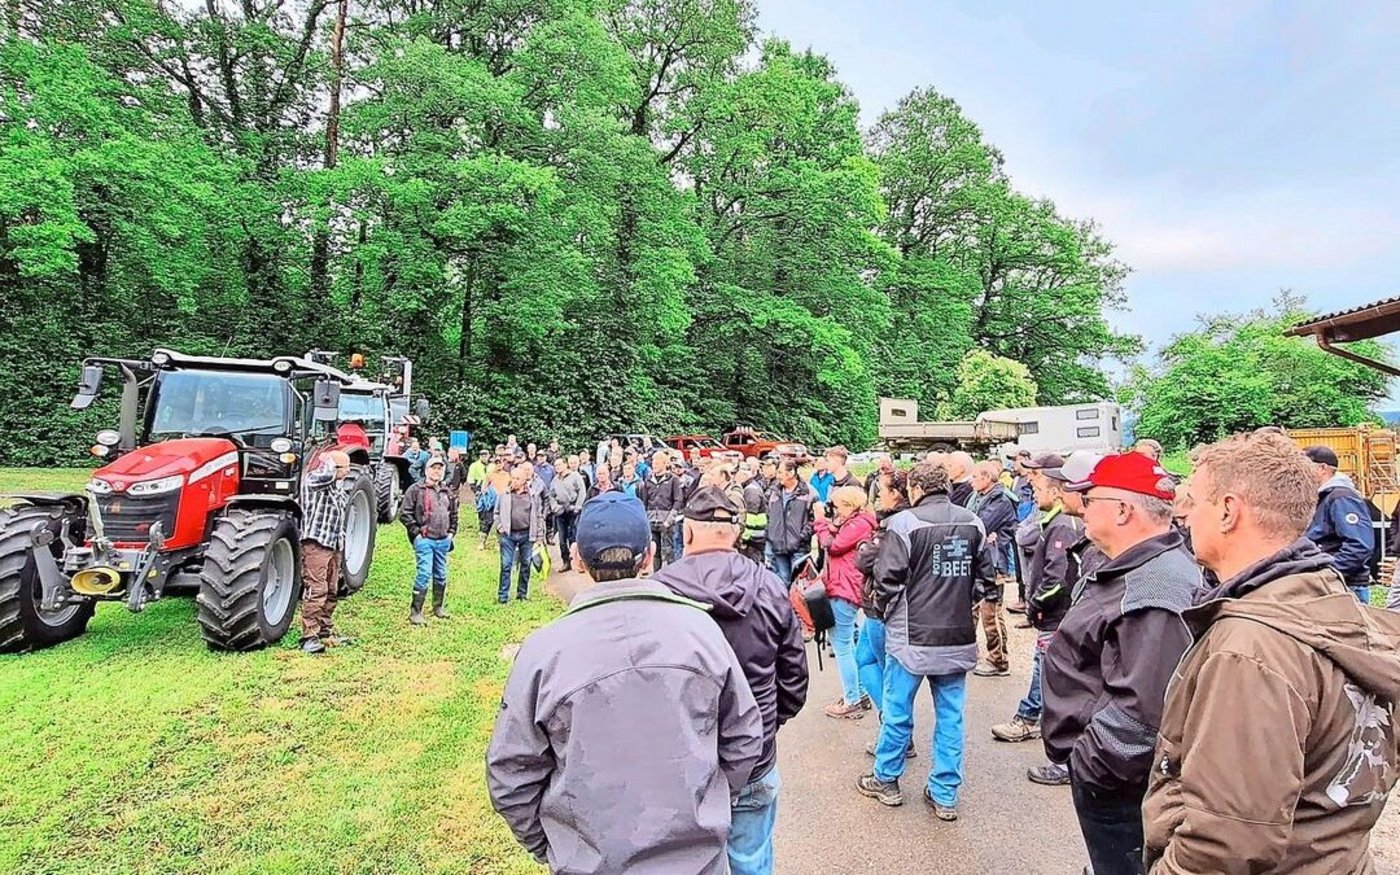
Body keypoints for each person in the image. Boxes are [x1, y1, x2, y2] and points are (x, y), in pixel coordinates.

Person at [1144, 431, 1400, 875]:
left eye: (1194, 501)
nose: (1182, 514)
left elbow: (1225, 842)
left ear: (1227, 511)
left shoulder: (1250, 649)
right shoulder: (1332, 605)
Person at [487, 493, 764, 875]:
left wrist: (554, 846)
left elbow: (510, 772)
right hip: (697, 864)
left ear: (578, 559)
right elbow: (745, 737)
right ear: (649, 556)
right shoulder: (703, 632)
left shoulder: (543, 652)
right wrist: (709, 804)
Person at [1041, 451, 1199, 875]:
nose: (1082, 508)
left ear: (1125, 510)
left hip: (1120, 784)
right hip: (1112, 776)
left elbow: (1147, 709)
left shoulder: (1154, 586)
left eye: (1091, 499)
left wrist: (1091, 761)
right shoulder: (1139, 567)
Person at [653, 486, 809, 875]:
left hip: (681, 758)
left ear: (686, 533)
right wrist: (763, 725)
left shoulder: (659, 591)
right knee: (751, 861)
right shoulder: (771, 586)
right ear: (737, 534)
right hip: (754, 757)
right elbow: (794, 681)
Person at [857, 462, 995, 821]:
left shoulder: (904, 524)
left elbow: (887, 580)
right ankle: (945, 792)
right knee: (951, 717)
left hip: (911, 636)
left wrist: (888, 613)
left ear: (916, 489)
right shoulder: (973, 522)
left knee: (898, 709)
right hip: (957, 634)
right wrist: (966, 602)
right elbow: (987, 577)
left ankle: (886, 779)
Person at [991, 453, 1081, 748]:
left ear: (1055, 492)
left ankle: (1029, 719)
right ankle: (1036, 717)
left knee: (1045, 665)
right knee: (1046, 665)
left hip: (1056, 614)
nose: (1034, 493)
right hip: (1057, 613)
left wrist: (1036, 605)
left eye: (1040, 489)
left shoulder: (1062, 526)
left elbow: (1056, 578)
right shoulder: (1054, 522)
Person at [854, 469, 910, 744]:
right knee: (863, 658)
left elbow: (865, 561)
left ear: (896, 494)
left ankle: (895, 732)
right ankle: (891, 722)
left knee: (887, 671)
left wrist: (865, 544)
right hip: (874, 606)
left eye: (883, 491)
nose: (878, 496)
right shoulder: (890, 522)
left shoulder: (893, 526)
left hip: (881, 607)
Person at [813, 485, 878, 718]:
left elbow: (834, 545)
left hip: (845, 587)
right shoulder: (856, 521)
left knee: (842, 645)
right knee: (848, 642)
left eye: (838, 505)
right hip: (845, 585)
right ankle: (859, 693)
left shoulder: (859, 523)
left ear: (850, 505)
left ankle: (852, 699)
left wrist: (820, 522)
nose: (834, 509)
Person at [1303, 444, 1376, 603]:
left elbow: (1360, 545)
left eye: (1303, 467)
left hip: (1345, 586)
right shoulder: (1323, 497)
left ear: (1322, 468)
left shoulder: (1341, 497)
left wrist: (1330, 573)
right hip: (1330, 583)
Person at [967, 460, 1017, 678]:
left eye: (976, 477)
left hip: (994, 563)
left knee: (992, 612)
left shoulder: (1000, 500)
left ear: (987, 478)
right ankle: (974, 652)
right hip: (981, 561)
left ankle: (999, 659)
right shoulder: (978, 497)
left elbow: (978, 525)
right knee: (975, 609)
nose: (971, 481)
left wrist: (987, 535)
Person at [298, 450, 352, 654]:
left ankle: (324, 631)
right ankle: (308, 636)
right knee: (316, 589)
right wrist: (329, 461)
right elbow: (326, 474)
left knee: (331, 589)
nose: (347, 472)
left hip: (333, 545)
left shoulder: (337, 488)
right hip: (316, 545)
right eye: (344, 467)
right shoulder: (313, 481)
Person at [400, 456, 460, 624]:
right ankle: (416, 612)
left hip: (443, 540)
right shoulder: (415, 490)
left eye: (440, 468)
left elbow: (454, 513)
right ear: (426, 470)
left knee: (441, 574)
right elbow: (404, 514)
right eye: (433, 468)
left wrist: (451, 533)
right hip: (425, 540)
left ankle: (438, 607)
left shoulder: (447, 491)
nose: (437, 471)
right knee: (424, 573)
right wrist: (416, 533)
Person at [496, 465, 544, 603]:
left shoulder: (533, 495)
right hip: (508, 535)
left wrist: (539, 536)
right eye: (513, 478)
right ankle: (503, 596)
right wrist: (499, 526)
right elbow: (496, 513)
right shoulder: (505, 494)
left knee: (526, 564)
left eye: (518, 478)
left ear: (524, 480)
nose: (515, 481)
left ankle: (521, 595)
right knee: (506, 565)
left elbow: (539, 516)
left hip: (526, 535)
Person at [765, 460, 813, 584]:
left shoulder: (808, 493)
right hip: (778, 546)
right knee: (782, 582)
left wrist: (801, 536)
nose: (777, 475)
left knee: (798, 584)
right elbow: (768, 516)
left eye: (780, 472)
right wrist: (771, 536)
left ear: (791, 473)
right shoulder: (773, 492)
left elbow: (814, 520)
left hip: (799, 547)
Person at [641, 450, 685, 570]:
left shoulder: (673, 480)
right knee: (655, 552)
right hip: (651, 521)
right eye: (653, 462)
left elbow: (678, 501)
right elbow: (644, 502)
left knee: (669, 551)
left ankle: (671, 576)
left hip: (667, 521)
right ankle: (657, 575)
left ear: (665, 463)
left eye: (657, 462)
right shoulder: (648, 481)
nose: (654, 465)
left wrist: (669, 520)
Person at [550, 455, 587, 566]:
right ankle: (565, 561)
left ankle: (577, 560)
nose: (558, 467)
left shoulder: (575, 476)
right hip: (560, 511)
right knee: (562, 539)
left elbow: (582, 491)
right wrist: (555, 507)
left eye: (560, 464)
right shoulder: (555, 480)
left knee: (573, 536)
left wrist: (578, 507)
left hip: (573, 510)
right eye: (556, 465)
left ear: (565, 464)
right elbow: (551, 495)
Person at [737, 462, 769, 565]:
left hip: (754, 539)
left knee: (754, 567)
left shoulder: (750, 491)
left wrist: (743, 539)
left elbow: (750, 518)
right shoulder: (751, 487)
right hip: (755, 537)